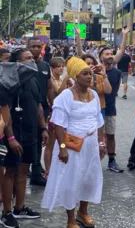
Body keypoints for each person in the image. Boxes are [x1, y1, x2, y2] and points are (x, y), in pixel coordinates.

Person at [41, 57, 105, 228]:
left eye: (90, 74)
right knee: (71, 181)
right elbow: (59, 125)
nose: (89, 77)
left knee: (89, 179)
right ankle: (70, 220)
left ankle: (83, 212)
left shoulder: (94, 95)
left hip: (91, 145)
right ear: (75, 76)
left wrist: (101, 143)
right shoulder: (65, 96)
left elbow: (99, 120)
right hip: (71, 146)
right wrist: (62, 148)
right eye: (85, 74)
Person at [1, 49, 48, 228]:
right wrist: (11, 137)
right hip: (13, 132)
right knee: (10, 171)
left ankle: (19, 208)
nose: (33, 60)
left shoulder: (34, 80)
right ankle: (6, 213)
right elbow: (5, 111)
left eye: (33, 58)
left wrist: (43, 128)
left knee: (23, 171)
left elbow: (39, 106)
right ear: (17, 62)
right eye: (27, 58)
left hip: (31, 131)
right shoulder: (8, 81)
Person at [28, 37, 55, 186]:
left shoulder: (45, 66)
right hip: (26, 109)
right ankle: (25, 169)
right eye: (33, 46)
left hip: (42, 108)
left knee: (40, 140)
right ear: (28, 47)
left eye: (39, 46)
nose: (36, 49)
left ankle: (37, 173)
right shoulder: (23, 65)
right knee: (28, 140)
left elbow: (49, 87)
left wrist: (53, 105)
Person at [99, 46, 123, 173]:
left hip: (110, 109)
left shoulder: (117, 73)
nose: (110, 55)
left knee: (110, 136)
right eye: (106, 54)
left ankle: (111, 161)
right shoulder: (96, 71)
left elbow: (115, 90)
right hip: (96, 110)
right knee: (95, 137)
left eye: (111, 53)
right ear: (101, 57)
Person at [43, 57, 65, 178]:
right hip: (52, 115)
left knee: (60, 143)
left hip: (62, 116)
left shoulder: (61, 79)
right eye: (58, 66)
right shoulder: (51, 80)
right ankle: (48, 170)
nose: (61, 68)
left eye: (62, 66)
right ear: (52, 68)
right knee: (50, 144)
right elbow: (59, 93)